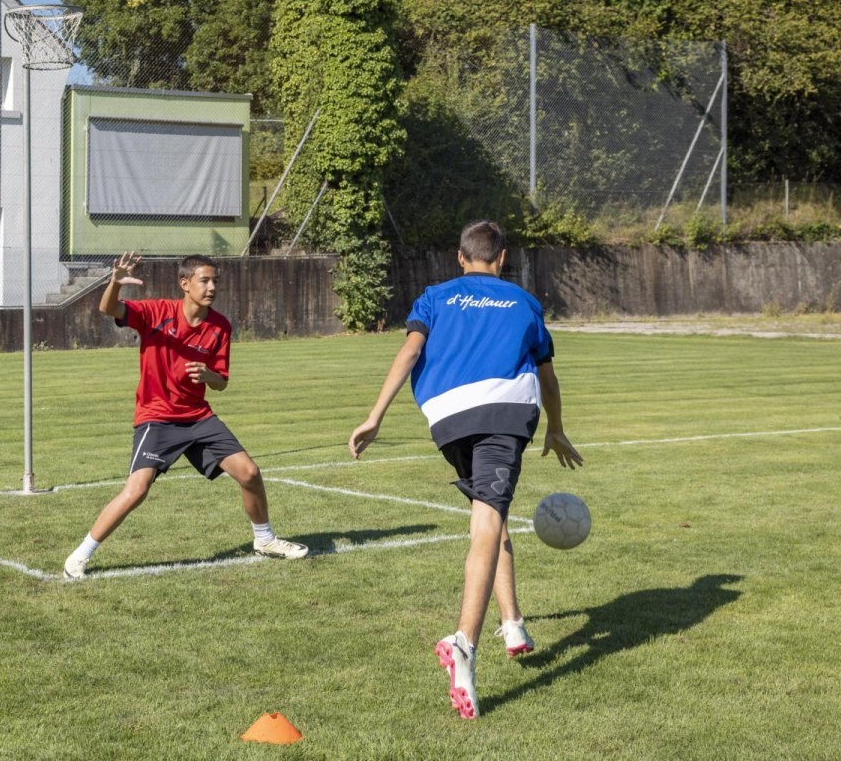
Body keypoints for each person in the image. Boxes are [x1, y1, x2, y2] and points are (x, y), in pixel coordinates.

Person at [347, 221, 584, 719]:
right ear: (502, 258)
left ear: (460, 258)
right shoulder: (524, 303)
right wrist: (556, 429)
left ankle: (513, 621)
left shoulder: (434, 295)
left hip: (447, 418)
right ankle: (464, 644)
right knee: (488, 521)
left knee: (488, 515)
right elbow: (548, 375)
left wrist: (375, 415)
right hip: (503, 413)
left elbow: (410, 351)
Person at [62, 252, 309, 579]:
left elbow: (221, 382)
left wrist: (209, 376)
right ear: (185, 283)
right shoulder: (156, 313)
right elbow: (108, 309)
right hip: (157, 417)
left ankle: (264, 540)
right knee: (137, 489)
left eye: (215, 281)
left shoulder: (220, 326)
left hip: (198, 418)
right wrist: (115, 283)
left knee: (249, 473)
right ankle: (79, 556)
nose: (211, 287)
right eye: (204, 280)